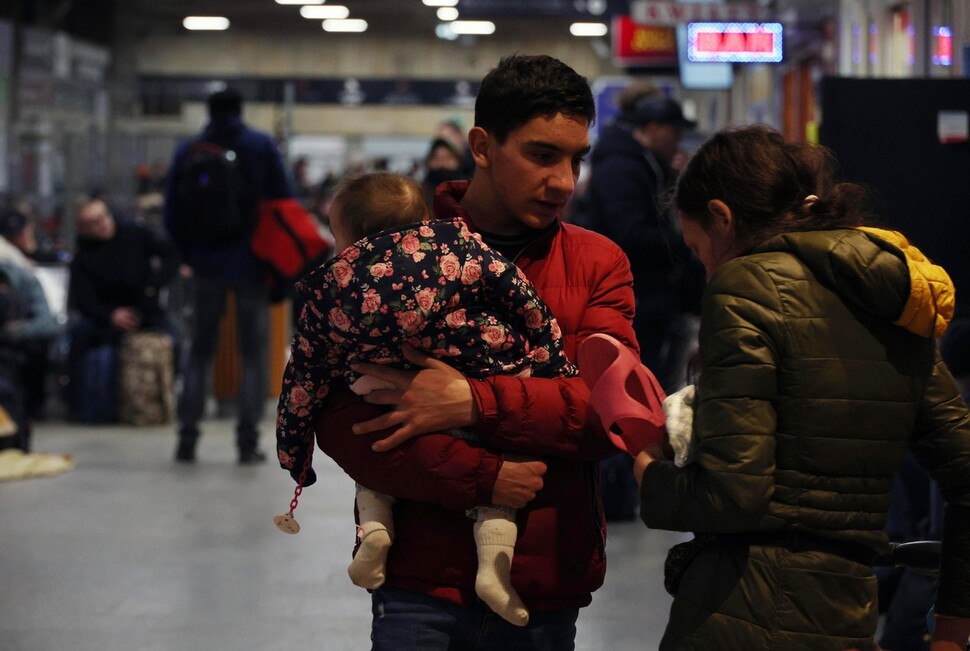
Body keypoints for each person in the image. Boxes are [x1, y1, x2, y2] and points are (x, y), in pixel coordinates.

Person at [295, 54, 637, 649]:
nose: (563, 180)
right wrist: (489, 477)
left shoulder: (596, 262)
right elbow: (342, 419)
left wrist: (471, 402)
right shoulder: (393, 248)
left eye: (576, 159)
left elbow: (606, 417)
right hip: (416, 582)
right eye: (541, 154)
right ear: (482, 145)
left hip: (541, 584)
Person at [597, 124, 970, 649]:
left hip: (745, 607)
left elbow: (733, 495)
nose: (705, 269)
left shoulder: (745, 285)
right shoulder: (896, 298)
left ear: (723, 218)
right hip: (848, 606)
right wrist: (954, 621)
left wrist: (644, 460)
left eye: (700, 248)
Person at [277, 171, 579, 626]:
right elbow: (520, 295)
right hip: (481, 374)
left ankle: (376, 529)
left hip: (382, 394)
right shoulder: (458, 247)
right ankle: (494, 569)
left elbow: (303, 378)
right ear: (422, 218)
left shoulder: (330, 290)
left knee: (376, 442)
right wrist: (549, 355)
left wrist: (294, 454)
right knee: (503, 471)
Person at [573, 86, 705, 521]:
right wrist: (685, 243)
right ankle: (617, 493)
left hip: (647, 299)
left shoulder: (641, 164)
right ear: (652, 129)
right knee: (627, 402)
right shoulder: (623, 169)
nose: (677, 142)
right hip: (636, 301)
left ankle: (626, 491)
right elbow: (628, 233)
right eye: (672, 133)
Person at [164, 87, 293, 464]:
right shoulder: (260, 145)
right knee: (252, 354)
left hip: (205, 265)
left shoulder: (190, 149)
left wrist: (191, 253)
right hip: (251, 263)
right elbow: (285, 202)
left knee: (199, 350)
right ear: (241, 109)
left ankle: (186, 439)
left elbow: (171, 212)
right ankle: (247, 441)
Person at [67, 197, 181, 420]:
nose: (102, 224)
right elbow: (84, 302)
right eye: (93, 222)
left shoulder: (135, 235)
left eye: (103, 217)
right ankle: (85, 407)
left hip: (145, 311)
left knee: (175, 342)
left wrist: (153, 286)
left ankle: (165, 399)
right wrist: (111, 315)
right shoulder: (82, 259)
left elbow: (171, 255)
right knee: (80, 344)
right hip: (104, 319)